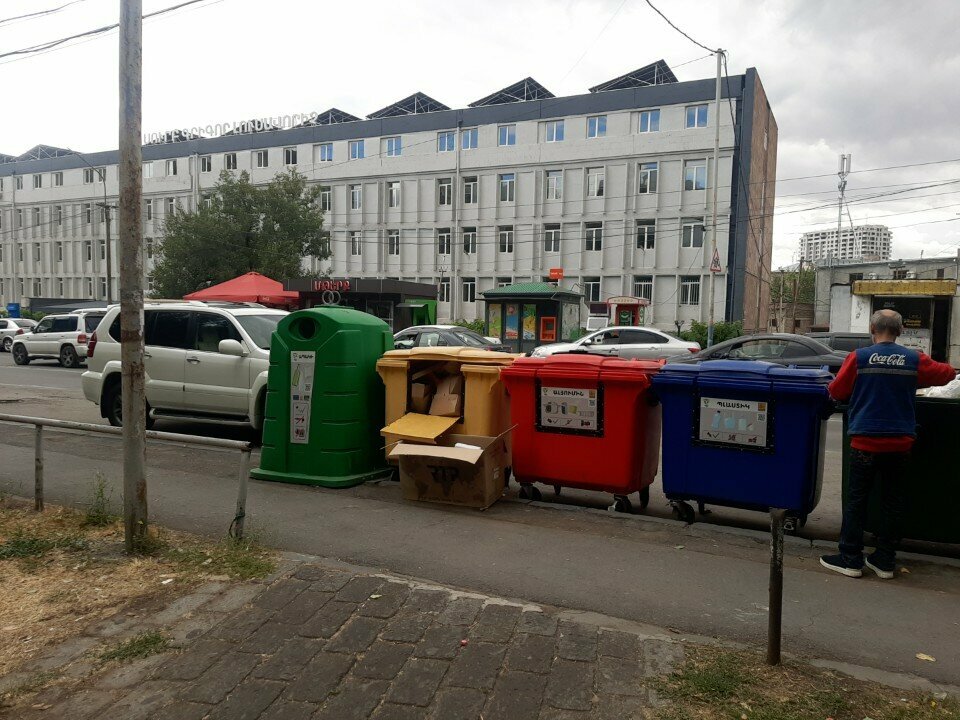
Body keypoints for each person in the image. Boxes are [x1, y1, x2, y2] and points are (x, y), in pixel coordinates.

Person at [820, 309, 956, 579]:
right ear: (901, 330)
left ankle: (850, 558)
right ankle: (884, 561)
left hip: (865, 442)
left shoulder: (858, 358)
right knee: (893, 502)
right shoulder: (913, 359)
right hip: (900, 443)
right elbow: (947, 374)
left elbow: (836, 391)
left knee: (857, 502)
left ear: (872, 328)